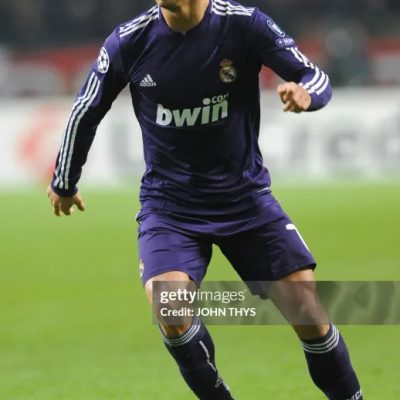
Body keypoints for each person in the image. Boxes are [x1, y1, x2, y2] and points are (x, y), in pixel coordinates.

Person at [47, 0, 363, 398]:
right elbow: (86, 108)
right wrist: (64, 181)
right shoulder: (129, 41)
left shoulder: (245, 25)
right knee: (170, 308)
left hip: (245, 201)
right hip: (170, 208)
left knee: (308, 312)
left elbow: (313, 75)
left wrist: (306, 94)